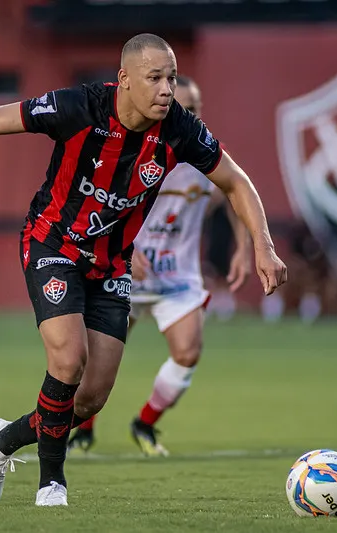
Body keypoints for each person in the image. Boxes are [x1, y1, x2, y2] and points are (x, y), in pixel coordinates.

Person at [0, 33, 287, 506]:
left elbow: (236, 182)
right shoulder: (79, 107)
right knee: (68, 360)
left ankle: (3, 441)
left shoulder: (179, 128)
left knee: (91, 398)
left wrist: (263, 244)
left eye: (172, 78)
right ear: (124, 79)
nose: (166, 90)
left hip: (112, 264)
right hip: (53, 244)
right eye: (155, 78)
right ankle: (51, 482)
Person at [65, 76, 252, 456]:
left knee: (188, 353)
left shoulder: (208, 157)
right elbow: (103, 203)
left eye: (197, 107)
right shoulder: (143, 153)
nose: (193, 114)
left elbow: (235, 192)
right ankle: (82, 431)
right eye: (185, 107)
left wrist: (243, 248)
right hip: (127, 270)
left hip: (179, 277)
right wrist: (125, 247)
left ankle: (144, 425)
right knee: (98, 360)